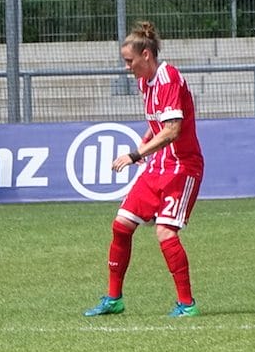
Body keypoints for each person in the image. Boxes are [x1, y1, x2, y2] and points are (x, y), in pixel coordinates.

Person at [84, 21, 204, 318]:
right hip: (159, 166)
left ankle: (187, 304)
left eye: (130, 60)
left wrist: (135, 153)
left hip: (183, 166)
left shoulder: (168, 78)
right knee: (121, 226)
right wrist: (144, 144)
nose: (127, 67)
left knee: (165, 232)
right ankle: (114, 299)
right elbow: (158, 126)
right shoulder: (144, 83)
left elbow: (173, 129)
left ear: (146, 55)